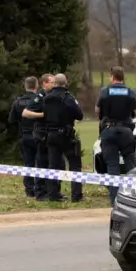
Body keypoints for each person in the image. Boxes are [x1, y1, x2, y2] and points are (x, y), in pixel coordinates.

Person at [24, 73, 84, 202]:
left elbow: (45, 115)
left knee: (53, 166)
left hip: (51, 136)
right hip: (66, 135)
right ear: (65, 83)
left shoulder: (46, 98)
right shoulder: (68, 97)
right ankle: (76, 195)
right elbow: (79, 115)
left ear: (55, 83)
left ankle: (53, 194)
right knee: (74, 166)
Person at [96, 66, 136, 205]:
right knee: (130, 166)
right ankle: (132, 199)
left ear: (112, 77)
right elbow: (135, 112)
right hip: (126, 131)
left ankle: (115, 201)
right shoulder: (131, 92)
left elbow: (98, 110)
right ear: (123, 78)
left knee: (112, 167)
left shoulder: (105, 92)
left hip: (109, 130)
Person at [7, 77, 40, 197]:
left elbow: (11, 120)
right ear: (36, 86)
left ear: (25, 87)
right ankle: (40, 188)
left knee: (28, 163)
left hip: (25, 135)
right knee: (40, 163)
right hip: (38, 135)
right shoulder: (39, 100)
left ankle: (29, 189)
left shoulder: (18, 102)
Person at [26, 73, 55, 201]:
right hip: (41, 135)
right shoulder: (39, 97)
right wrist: (42, 115)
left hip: (51, 135)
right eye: (51, 82)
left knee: (52, 164)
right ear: (44, 84)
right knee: (42, 163)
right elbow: (25, 113)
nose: (54, 85)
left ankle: (51, 192)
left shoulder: (52, 96)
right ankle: (40, 192)